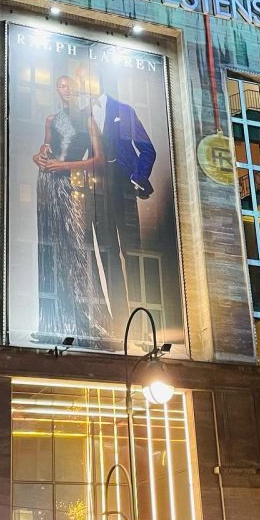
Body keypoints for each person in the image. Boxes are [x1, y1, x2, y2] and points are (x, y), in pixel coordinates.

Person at [32, 76, 108, 344]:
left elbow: (98, 159)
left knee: (75, 249)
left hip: (71, 184)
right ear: (57, 90)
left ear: (76, 89)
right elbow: (45, 148)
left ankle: (84, 323)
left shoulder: (87, 119)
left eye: (69, 85)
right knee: (50, 247)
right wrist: (39, 157)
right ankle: (51, 321)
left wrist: (63, 167)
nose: (66, 90)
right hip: (47, 184)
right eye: (61, 86)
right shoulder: (51, 119)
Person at [90, 68, 157, 341]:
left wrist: (136, 177)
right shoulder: (83, 113)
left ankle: (143, 330)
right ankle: (119, 329)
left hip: (122, 187)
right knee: (107, 256)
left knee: (132, 253)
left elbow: (148, 149)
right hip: (95, 192)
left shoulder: (123, 110)